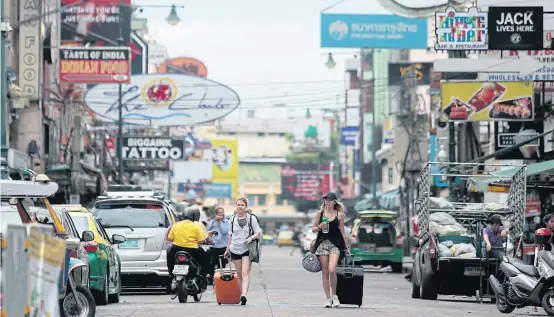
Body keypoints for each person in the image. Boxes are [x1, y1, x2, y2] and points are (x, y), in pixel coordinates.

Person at [311, 192, 350, 308]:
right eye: (326, 200)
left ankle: (334, 296)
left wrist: (346, 247)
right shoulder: (320, 214)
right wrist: (319, 227)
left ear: (334, 201)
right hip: (322, 244)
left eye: (330, 200)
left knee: (332, 270)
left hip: (335, 245)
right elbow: (313, 229)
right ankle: (328, 299)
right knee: (325, 272)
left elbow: (343, 233)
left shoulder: (340, 215)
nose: (327, 202)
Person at [224, 197, 263, 305]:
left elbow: (258, 232)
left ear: (246, 207)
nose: (240, 207)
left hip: (247, 248)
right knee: (239, 274)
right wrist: (227, 249)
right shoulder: (232, 219)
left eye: (242, 205)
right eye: (238, 205)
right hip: (235, 248)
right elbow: (230, 235)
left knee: (245, 272)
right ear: (236, 206)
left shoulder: (251, 219)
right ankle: (242, 295)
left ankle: (244, 294)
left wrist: (251, 238)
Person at [166, 207, 209, 290]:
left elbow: (170, 239)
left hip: (176, 249)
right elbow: (201, 241)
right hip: (192, 250)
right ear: (193, 217)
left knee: (168, 252)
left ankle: (170, 273)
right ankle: (202, 275)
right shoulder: (196, 226)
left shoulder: (175, 225)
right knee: (206, 256)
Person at [207, 207, 229, 279]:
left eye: (222, 212)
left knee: (222, 263)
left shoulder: (227, 222)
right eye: (219, 212)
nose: (221, 214)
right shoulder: (213, 221)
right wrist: (214, 221)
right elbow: (207, 230)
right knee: (211, 263)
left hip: (223, 246)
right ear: (216, 214)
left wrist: (220, 223)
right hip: (213, 246)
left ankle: (220, 278)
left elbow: (224, 232)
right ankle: (211, 278)